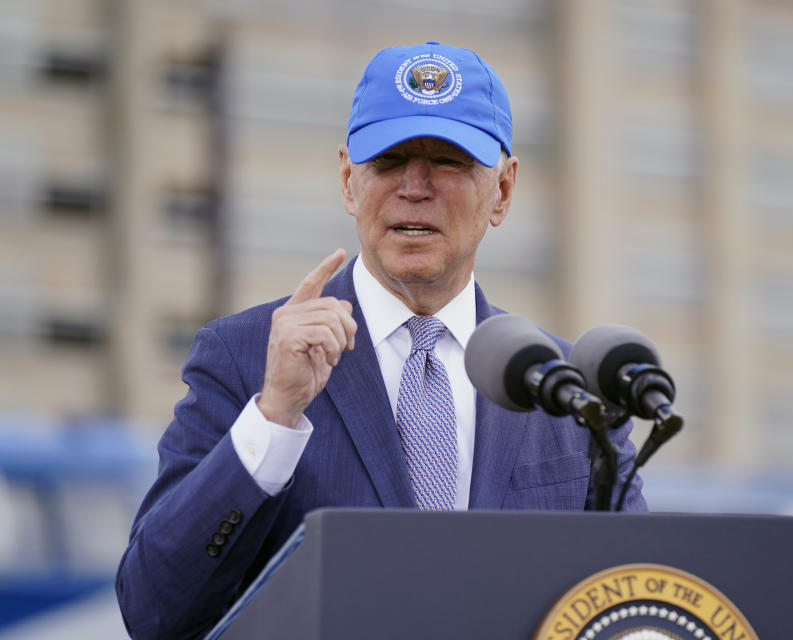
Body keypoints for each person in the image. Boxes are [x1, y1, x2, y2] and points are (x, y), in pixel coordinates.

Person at [116, 41, 647, 639]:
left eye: (448, 161)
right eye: (389, 160)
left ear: (502, 191)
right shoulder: (246, 358)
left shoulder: (567, 388)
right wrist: (274, 417)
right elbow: (153, 611)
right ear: (348, 180)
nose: (414, 187)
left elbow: (629, 608)